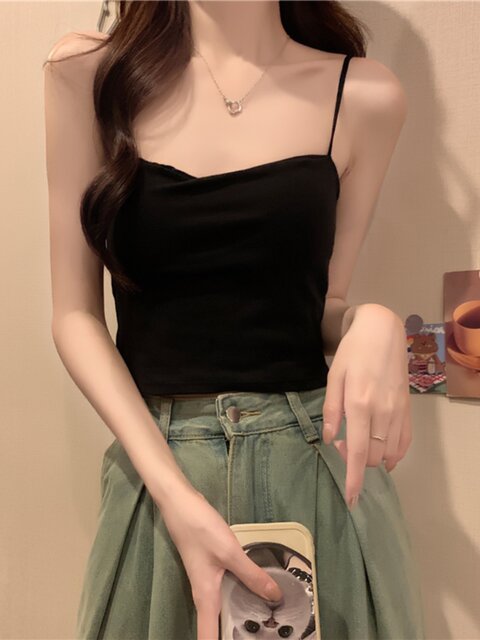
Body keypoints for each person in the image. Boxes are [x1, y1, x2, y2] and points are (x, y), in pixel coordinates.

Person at [43, 2, 426, 638]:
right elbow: (74, 315)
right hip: (161, 476)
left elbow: (323, 303)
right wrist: (175, 497)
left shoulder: (364, 97)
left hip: (315, 472)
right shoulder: (89, 75)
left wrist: (375, 320)